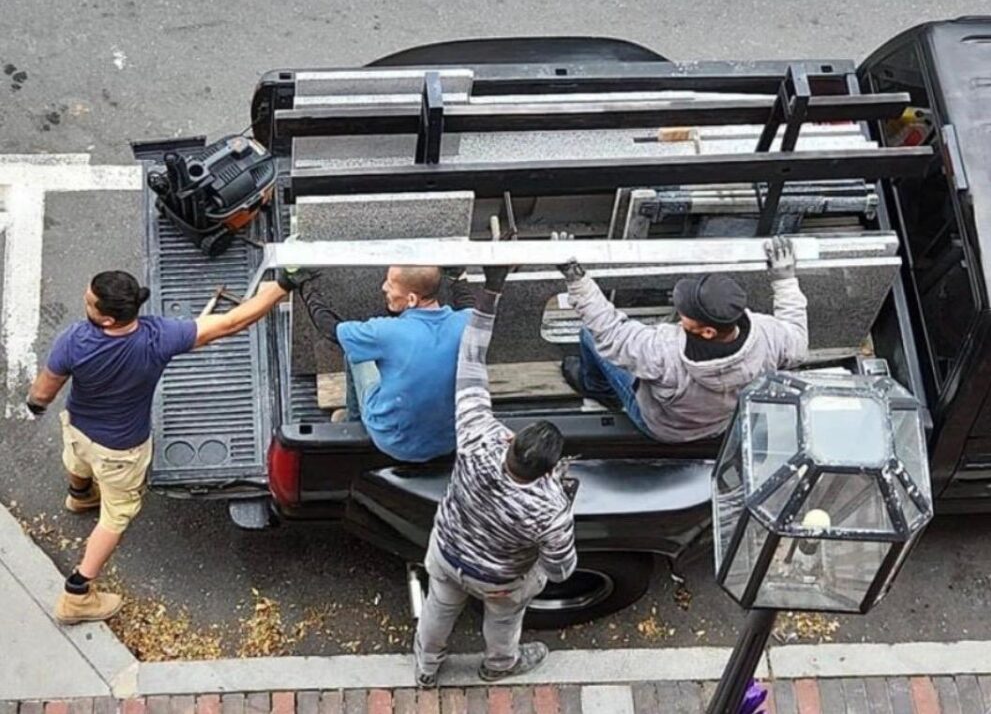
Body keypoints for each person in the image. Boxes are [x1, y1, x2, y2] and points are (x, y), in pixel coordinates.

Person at [26, 269, 302, 624]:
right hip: (122, 450)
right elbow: (233, 322)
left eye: (89, 300)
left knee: (78, 459)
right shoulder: (159, 338)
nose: (85, 300)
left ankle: (79, 495)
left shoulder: (73, 340)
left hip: (79, 428)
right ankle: (77, 593)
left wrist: (35, 405)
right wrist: (283, 285)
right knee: (117, 515)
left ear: (107, 318)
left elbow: (43, 392)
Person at [413, 265, 578, 687]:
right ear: (548, 469)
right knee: (504, 623)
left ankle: (427, 668)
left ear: (512, 442)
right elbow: (561, 570)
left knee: (437, 609)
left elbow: (471, 357)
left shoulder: (476, 439)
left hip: (448, 554)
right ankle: (498, 666)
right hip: (500, 580)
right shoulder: (551, 508)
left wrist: (492, 289)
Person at [558, 236, 808, 443]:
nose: (680, 315)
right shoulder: (768, 336)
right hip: (719, 423)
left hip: (663, 427)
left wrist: (577, 281)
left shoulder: (664, 353)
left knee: (589, 334)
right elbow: (798, 343)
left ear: (707, 331)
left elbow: (611, 333)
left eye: (686, 314)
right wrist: (785, 279)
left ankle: (597, 389)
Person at [295, 265, 473, 463]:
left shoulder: (384, 332)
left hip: (394, 441)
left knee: (356, 353)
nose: (383, 287)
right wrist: (459, 277)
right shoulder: (467, 323)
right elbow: (468, 304)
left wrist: (304, 284)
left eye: (391, 284)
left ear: (412, 299)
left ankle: (353, 422)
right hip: (451, 440)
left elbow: (328, 327)